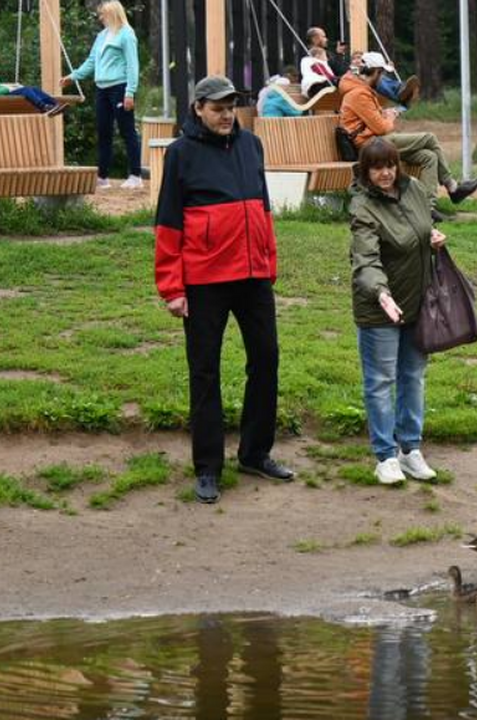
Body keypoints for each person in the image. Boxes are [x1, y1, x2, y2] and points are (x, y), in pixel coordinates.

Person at [154, 75, 295, 504]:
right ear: (198, 108)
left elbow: (263, 207)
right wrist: (171, 287)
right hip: (204, 282)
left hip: (253, 277)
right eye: (217, 107)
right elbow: (168, 222)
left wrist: (268, 260)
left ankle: (255, 453)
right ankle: (208, 467)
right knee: (205, 372)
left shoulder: (252, 145)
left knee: (266, 360)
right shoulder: (180, 153)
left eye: (231, 106)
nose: (226, 114)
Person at [349, 138, 445, 485]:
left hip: (417, 302)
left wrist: (430, 236)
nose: (385, 173)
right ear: (366, 170)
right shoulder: (362, 208)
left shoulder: (414, 189)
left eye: (390, 165)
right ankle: (385, 456)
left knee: (413, 376)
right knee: (380, 381)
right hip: (380, 308)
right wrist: (381, 293)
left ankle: (410, 449)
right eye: (376, 167)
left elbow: (420, 225)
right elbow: (366, 260)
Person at [340, 53, 477, 209]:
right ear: (377, 71)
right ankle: (452, 187)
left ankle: (428, 207)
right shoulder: (359, 93)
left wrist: (384, 114)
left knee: (429, 157)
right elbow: (382, 128)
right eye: (383, 73)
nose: (383, 77)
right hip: (371, 145)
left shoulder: (362, 90)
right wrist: (390, 118)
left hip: (376, 141)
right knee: (429, 138)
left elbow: (373, 122)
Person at [62, 0, 142, 190]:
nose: (100, 18)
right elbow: (91, 62)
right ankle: (103, 176)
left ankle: (135, 175)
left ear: (113, 14)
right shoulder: (101, 36)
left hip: (120, 87)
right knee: (103, 131)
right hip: (102, 89)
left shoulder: (126, 34)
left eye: (103, 14)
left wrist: (130, 92)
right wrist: (73, 77)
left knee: (127, 130)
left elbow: (133, 65)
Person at [0, 56, 65, 115]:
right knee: (26, 90)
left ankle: (54, 104)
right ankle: (44, 107)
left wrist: (9, 88)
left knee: (33, 88)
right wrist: (6, 89)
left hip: (3, 95)